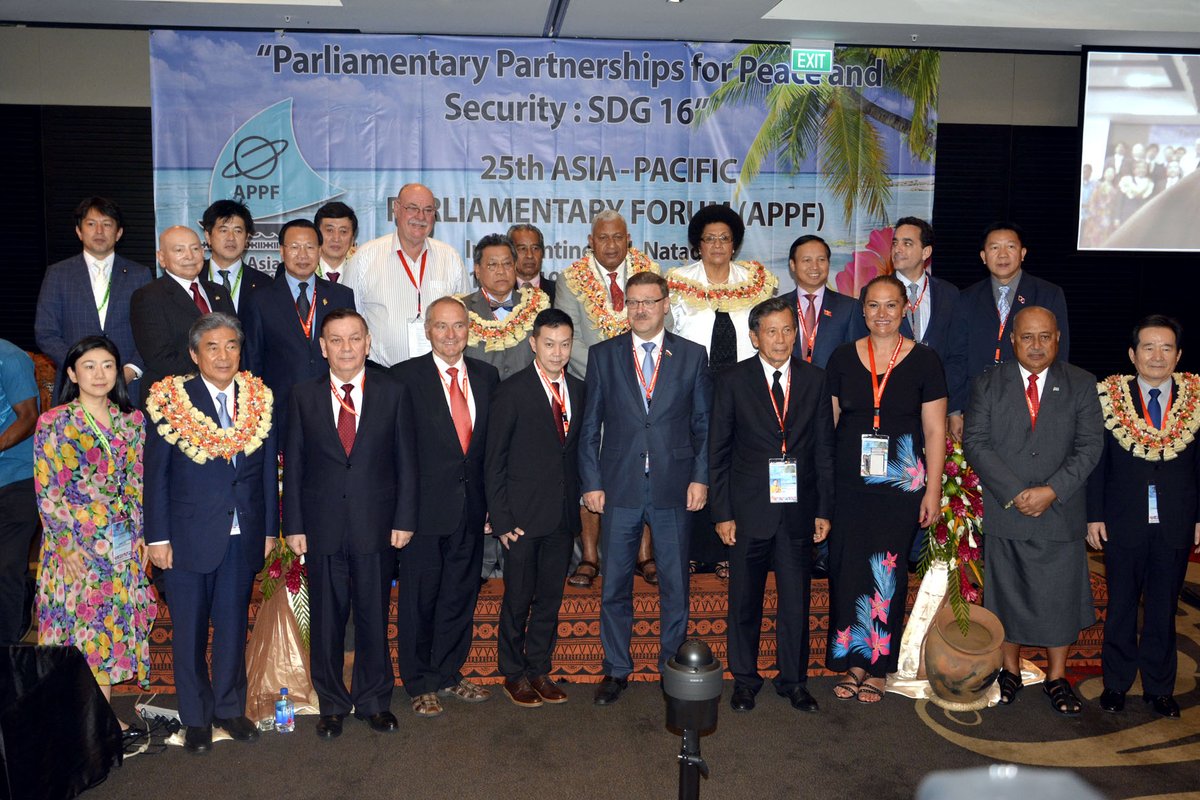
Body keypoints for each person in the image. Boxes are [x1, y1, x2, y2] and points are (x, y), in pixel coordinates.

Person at [144, 313, 278, 753]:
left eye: (232, 346)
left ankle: (228, 708)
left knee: (232, 626)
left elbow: (265, 476)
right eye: (213, 348)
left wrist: (269, 530)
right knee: (189, 631)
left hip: (244, 535)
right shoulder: (170, 401)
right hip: (185, 538)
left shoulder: (258, 398)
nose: (224, 355)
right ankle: (196, 717)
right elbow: (156, 476)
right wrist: (157, 537)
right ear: (194, 354)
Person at [579, 271, 712, 704]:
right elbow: (589, 426)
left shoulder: (692, 356)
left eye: (649, 301)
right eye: (633, 302)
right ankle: (616, 669)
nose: (640, 309)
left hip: (675, 486)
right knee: (615, 583)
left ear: (666, 303)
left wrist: (700, 476)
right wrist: (592, 483)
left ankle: (672, 667)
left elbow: (702, 425)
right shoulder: (603, 355)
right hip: (619, 487)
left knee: (675, 584)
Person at [963, 306, 1103, 716]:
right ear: (1013, 340)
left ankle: (1057, 677)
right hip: (1007, 509)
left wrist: (1051, 491)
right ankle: (1009, 671)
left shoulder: (1080, 382)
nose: (1037, 345)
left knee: (1059, 598)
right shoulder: (988, 384)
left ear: (1057, 337)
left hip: (1060, 510)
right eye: (1028, 337)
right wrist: (1015, 492)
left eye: (1045, 336)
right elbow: (976, 441)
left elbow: (1090, 446)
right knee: (1007, 595)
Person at [284, 309, 417, 737]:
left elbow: (407, 463)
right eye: (336, 340)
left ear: (368, 342)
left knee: (374, 616)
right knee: (326, 620)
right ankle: (332, 704)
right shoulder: (303, 395)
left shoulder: (393, 392)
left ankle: (375, 700)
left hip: (376, 526)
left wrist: (404, 518)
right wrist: (295, 526)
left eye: (354, 339)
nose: (346, 348)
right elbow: (296, 466)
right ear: (322, 347)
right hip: (321, 529)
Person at [824, 275, 946, 704]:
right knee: (848, 568)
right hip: (849, 484)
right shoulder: (842, 358)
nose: (882, 314)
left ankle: (877, 666)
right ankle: (850, 662)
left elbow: (935, 431)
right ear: (862, 311)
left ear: (905, 309)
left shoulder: (925, 360)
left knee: (887, 571)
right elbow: (830, 425)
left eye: (891, 305)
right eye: (873, 305)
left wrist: (933, 491)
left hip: (901, 484)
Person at [709, 297, 834, 713]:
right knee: (744, 600)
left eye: (787, 330)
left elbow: (824, 452)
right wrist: (722, 513)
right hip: (747, 512)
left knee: (795, 602)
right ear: (754, 336)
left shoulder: (815, 380)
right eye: (772, 331)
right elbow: (719, 452)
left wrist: (824, 509)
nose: (781, 339)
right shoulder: (732, 380)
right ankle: (745, 680)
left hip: (799, 510)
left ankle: (793, 680)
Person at [34, 336, 155, 725]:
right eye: (89, 365)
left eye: (107, 365)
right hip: (75, 548)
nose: (99, 373)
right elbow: (47, 489)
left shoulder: (131, 422)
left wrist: (141, 538)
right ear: (71, 373)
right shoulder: (54, 423)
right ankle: (80, 724)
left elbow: (138, 484)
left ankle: (100, 721)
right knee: (78, 629)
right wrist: (65, 545)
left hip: (120, 544)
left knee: (106, 632)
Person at [389, 297, 499, 717]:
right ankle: (419, 682)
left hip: (472, 510)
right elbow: (396, 453)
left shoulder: (488, 377)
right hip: (421, 514)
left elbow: (490, 450)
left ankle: (450, 673)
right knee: (420, 599)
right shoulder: (403, 378)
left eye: (458, 326)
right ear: (427, 330)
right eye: (442, 327)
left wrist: (493, 505)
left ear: (469, 330)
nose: (451, 335)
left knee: (459, 595)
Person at [1086, 315, 1199, 719]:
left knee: (1164, 608)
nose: (1157, 356)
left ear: (1179, 355)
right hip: (1122, 518)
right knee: (1120, 606)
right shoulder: (1109, 397)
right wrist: (1094, 514)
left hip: (1176, 519)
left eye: (1166, 348)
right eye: (1148, 347)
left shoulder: (1196, 397)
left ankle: (1159, 687)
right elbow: (1096, 462)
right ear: (1132, 354)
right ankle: (1116, 684)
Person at [667, 204, 777, 581]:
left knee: (738, 463)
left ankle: (734, 547)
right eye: (709, 239)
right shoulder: (678, 281)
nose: (717, 245)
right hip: (693, 385)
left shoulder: (756, 281)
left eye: (725, 238)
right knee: (699, 461)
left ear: (735, 244)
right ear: (698, 245)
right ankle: (699, 549)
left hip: (746, 386)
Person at [555, 211, 663, 589]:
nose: (611, 245)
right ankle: (588, 556)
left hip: (647, 384)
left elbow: (661, 324)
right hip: (591, 383)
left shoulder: (650, 272)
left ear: (628, 239)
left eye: (618, 237)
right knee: (592, 466)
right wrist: (615, 369)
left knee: (644, 464)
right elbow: (572, 339)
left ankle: (645, 555)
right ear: (591, 240)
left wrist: (637, 370)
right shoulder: (571, 280)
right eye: (603, 238)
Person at [485, 308, 585, 707]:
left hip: (561, 517)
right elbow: (494, 460)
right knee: (518, 598)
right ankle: (513, 673)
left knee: (549, 599)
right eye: (549, 344)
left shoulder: (578, 389)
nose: (557, 353)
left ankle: (539, 668)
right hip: (521, 520)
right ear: (533, 344)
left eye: (564, 344)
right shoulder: (512, 391)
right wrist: (502, 517)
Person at [945, 222, 1070, 440]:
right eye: (994, 248)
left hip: (1031, 403)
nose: (1002, 254)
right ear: (983, 256)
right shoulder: (966, 299)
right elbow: (956, 357)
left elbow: (1060, 353)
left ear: (1022, 253)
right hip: (977, 404)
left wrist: (1053, 404)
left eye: (1010, 247)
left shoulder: (1048, 294)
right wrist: (954, 410)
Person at [243, 218, 355, 437]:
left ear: (320, 251)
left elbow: (352, 353)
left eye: (310, 247)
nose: (303, 255)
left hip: (334, 407)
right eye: (294, 247)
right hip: (281, 411)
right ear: (282, 252)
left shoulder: (341, 295)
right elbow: (252, 361)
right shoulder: (260, 300)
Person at [35, 197, 152, 401]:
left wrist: (131, 370)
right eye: (91, 224)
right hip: (74, 387)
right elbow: (46, 332)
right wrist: (80, 368)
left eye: (107, 224)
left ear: (119, 233)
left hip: (127, 386)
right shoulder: (58, 274)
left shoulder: (139, 274)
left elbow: (151, 330)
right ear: (79, 231)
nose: (99, 231)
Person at [345, 184, 471, 367]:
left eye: (428, 210)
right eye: (412, 208)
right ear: (396, 209)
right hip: (383, 375)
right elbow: (348, 319)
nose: (420, 217)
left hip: (437, 376)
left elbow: (465, 318)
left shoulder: (450, 258)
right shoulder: (365, 257)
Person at [130, 226, 235, 404]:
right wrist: (211, 376)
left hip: (223, 394)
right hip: (174, 398)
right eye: (179, 250)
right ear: (162, 258)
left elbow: (235, 342)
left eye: (195, 249)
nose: (189, 256)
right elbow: (159, 356)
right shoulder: (148, 296)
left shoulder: (219, 292)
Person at [460, 233, 548, 381]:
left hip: (525, 397)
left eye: (507, 264)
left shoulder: (535, 306)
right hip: (481, 398)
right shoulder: (462, 309)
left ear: (514, 267)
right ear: (477, 270)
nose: (501, 271)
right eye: (492, 265)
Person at [0, 340, 39, 646]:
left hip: (16, 477)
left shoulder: (10, 358)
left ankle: (8, 650)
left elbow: (28, 416)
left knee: (6, 566)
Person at [778, 234, 862, 369]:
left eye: (821, 260)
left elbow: (856, 356)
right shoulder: (778, 307)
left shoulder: (849, 307)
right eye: (806, 260)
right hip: (788, 387)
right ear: (792, 265)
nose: (815, 267)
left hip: (832, 387)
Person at [201, 199, 271, 315]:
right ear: (208, 236)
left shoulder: (264, 284)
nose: (231, 238)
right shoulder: (194, 278)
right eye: (223, 230)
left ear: (247, 238)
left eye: (238, 231)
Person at [507, 223, 555, 304]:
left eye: (535, 248)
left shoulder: (558, 292)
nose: (529, 255)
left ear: (542, 252)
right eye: (522, 249)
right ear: (509, 253)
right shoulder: (500, 292)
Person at [314, 201, 358, 284]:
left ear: (352, 238)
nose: (336, 238)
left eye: (343, 231)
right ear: (316, 234)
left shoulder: (363, 270)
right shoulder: (303, 269)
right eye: (329, 230)